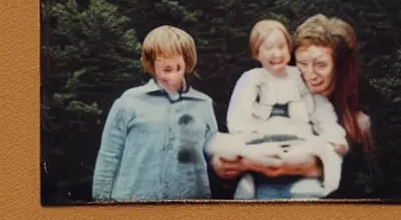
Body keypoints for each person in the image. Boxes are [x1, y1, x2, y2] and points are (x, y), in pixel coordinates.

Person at [210, 14, 376, 198]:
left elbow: (368, 189)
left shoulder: (360, 122)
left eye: (321, 65)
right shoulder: (261, 85)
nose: (310, 74)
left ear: (340, 66)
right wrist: (228, 164)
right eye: (303, 63)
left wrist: (317, 164)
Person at [92, 25, 218, 202]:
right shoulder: (129, 101)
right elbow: (109, 155)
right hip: (131, 205)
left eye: (175, 55)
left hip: (188, 207)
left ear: (187, 59)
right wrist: (101, 203)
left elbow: (215, 155)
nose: (169, 62)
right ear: (151, 63)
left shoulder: (203, 104)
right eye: (161, 57)